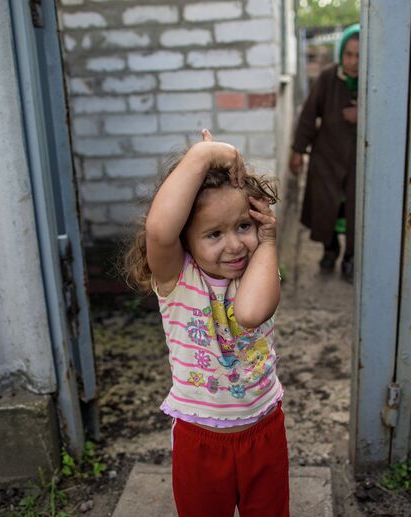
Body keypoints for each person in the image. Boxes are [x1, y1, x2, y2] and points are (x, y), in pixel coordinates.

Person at [123, 129, 289, 516]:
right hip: (200, 440)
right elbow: (158, 230)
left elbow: (249, 314)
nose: (233, 245)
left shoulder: (259, 268)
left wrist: (267, 241)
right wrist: (205, 155)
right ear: (186, 240)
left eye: (243, 227)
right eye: (214, 234)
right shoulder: (176, 279)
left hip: (263, 431)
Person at [290, 23, 360, 281]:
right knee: (327, 209)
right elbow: (309, 116)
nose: (353, 62)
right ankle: (330, 251)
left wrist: (363, 115)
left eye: (359, 55)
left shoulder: (376, 81)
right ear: (341, 54)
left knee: (355, 212)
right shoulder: (328, 77)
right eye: (348, 54)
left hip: (358, 164)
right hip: (327, 158)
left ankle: (351, 258)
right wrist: (297, 150)